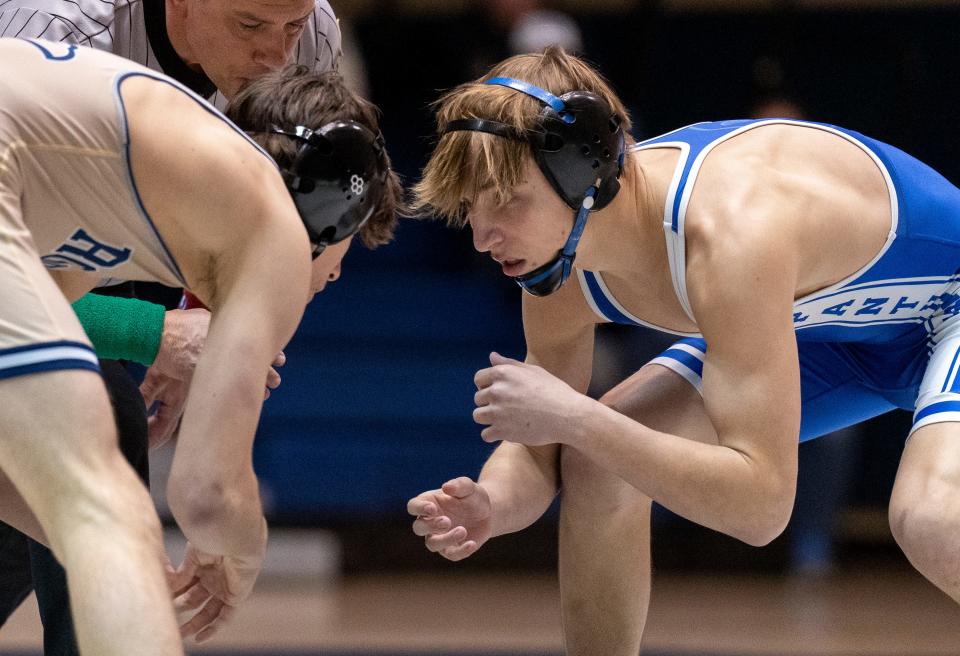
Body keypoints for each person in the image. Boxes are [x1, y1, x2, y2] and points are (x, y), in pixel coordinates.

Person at [408, 45, 960, 655]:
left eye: (506, 201)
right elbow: (540, 446)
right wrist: (494, 504)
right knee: (597, 462)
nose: (484, 238)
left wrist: (581, 418)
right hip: (834, 328)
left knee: (932, 517)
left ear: (582, 169)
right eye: (471, 209)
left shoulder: (731, 233)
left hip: (947, 306)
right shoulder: (558, 264)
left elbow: (760, 507)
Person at [0, 36, 400, 655]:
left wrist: (107, 542)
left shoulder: (96, 191)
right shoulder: (271, 217)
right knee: (109, 506)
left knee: (97, 509)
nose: (336, 274)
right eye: (346, 251)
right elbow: (208, 496)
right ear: (331, 215)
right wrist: (239, 555)